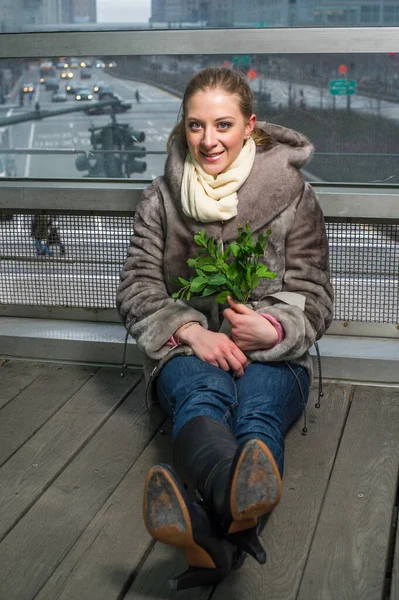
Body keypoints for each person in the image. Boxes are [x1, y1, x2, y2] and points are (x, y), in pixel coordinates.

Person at [117, 67, 334, 590]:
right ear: (183, 128)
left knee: (257, 408)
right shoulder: (161, 199)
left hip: (272, 354)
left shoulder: (292, 193)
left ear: (249, 126)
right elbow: (137, 289)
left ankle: (214, 532)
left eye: (222, 125)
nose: (208, 140)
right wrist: (190, 331)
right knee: (201, 395)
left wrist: (274, 329)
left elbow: (316, 294)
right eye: (195, 126)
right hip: (189, 350)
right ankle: (230, 516)